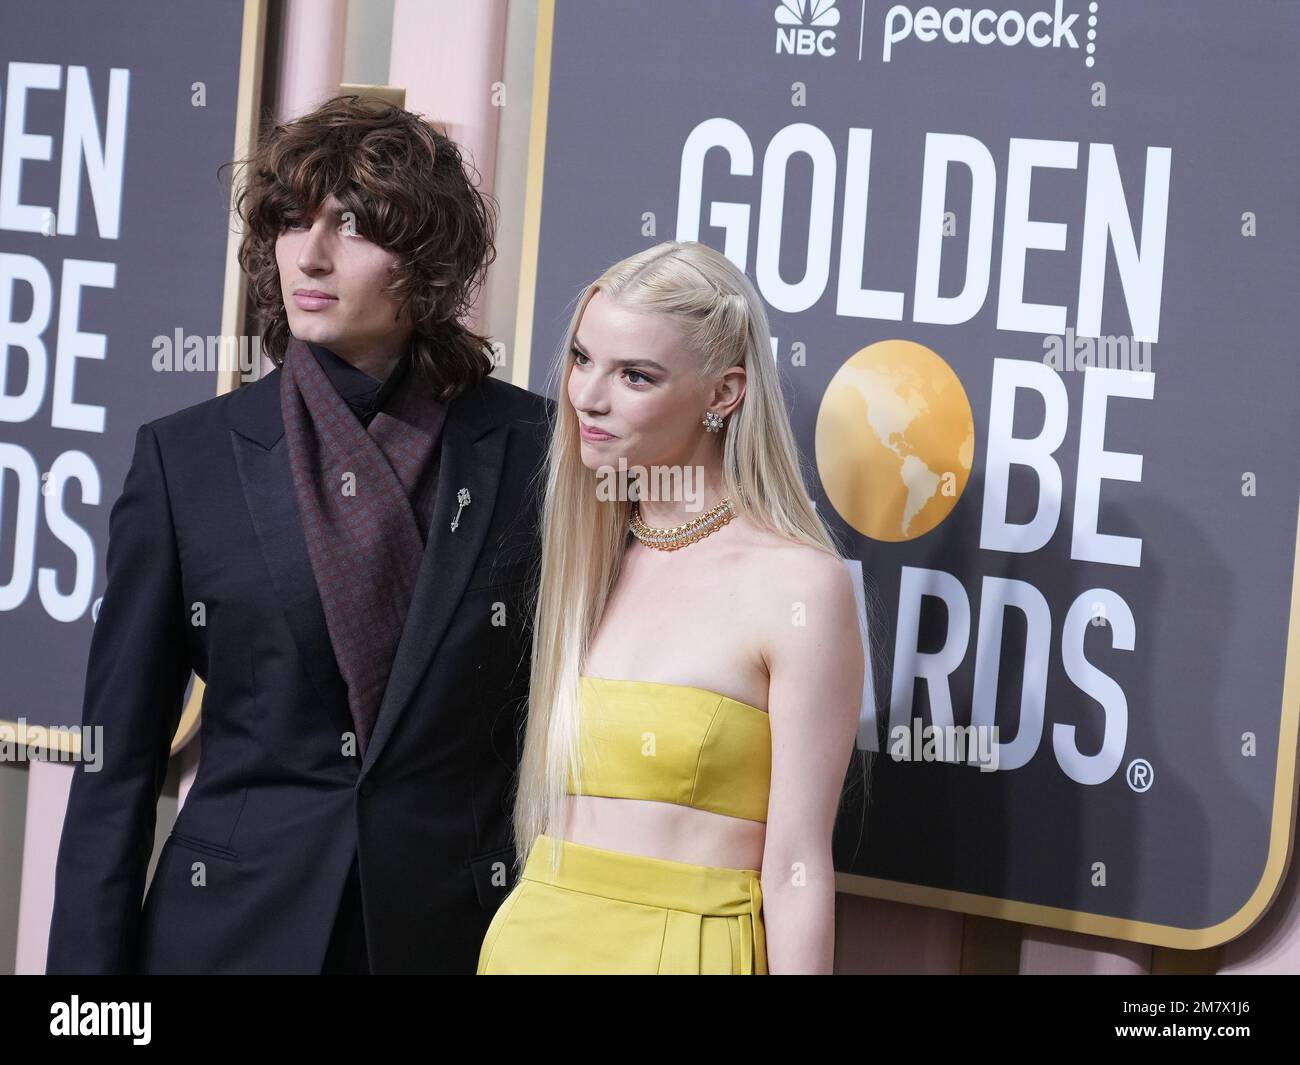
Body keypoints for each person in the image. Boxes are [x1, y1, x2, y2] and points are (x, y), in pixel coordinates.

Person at [45, 95, 550, 974]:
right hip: (229, 934)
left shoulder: (535, 452)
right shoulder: (184, 462)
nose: (307, 256)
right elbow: (115, 766)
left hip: (452, 937)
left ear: (427, 260)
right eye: (289, 221)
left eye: (352, 226)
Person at [477, 241, 864, 975]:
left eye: (635, 375)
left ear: (724, 393)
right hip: (532, 938)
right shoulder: (577, 563)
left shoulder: (800, 588)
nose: (588, 396)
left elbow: (796, 866)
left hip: (688, 951)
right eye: (583, 359)